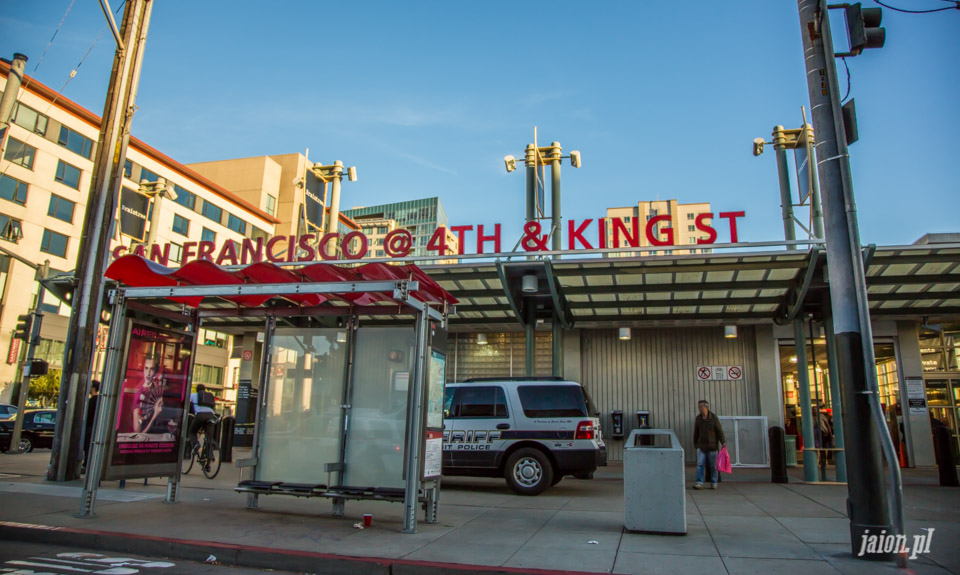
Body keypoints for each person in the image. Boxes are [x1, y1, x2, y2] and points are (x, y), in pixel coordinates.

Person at [692, 399, 726, 490]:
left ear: (706, 407)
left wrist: (723, 442)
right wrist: (695, 443)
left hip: (712, 446)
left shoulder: (713, 418)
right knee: (700, 464)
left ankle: (714, 482)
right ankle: (699, 482)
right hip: (701, 446)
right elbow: (696, 432)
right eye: (699, 407)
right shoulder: (698, 418)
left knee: (713, 466)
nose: (700, 408)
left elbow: (719, 431)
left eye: (702, 406)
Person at [132, 354, 168, 433]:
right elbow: (138, 432)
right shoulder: (140, 394)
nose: (148, 373)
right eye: (146, 368)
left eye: (151, 369)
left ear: (155, 372)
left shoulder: (158, 390)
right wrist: (155, 415)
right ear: (143, 370)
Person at [189, 384, 217, 454]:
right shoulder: (209, 396)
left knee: (192, 432)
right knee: (209, 437)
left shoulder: (193, 395)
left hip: (200, 415)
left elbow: (187, 405)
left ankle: (196, 444)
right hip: (211, 415)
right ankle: (210, 455)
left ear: (196, 389)